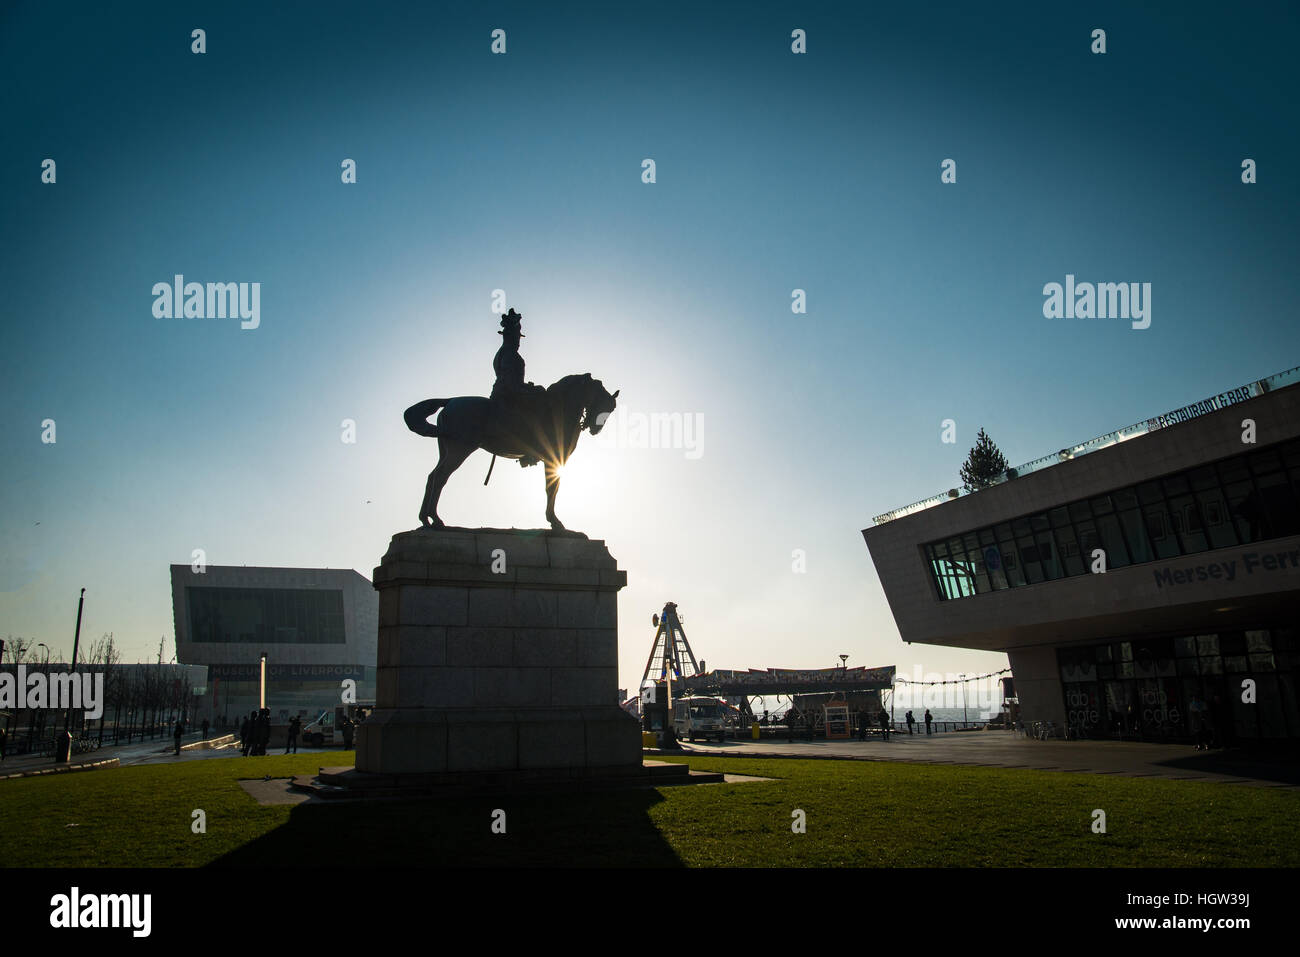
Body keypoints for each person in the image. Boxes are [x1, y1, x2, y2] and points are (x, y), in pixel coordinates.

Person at [489, 309, 548, 467]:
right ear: (511, 336)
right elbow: (511, 385)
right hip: (508, 396)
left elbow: (511, 380)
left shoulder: (503, 353)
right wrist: (532, 390)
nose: (518, 341)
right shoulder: (510, 355)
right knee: (537, 414)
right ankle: (531, 452)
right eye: (517, 336)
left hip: (503, 393)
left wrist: (528, 387)